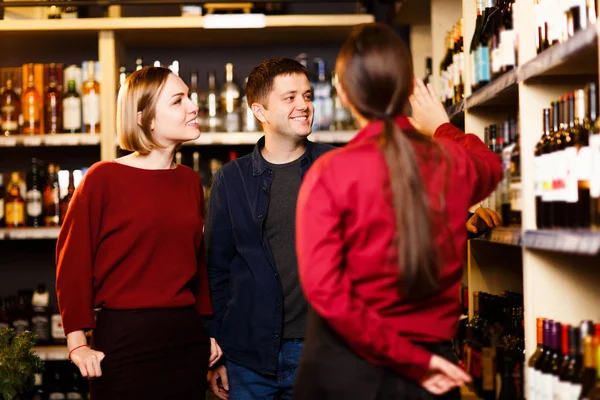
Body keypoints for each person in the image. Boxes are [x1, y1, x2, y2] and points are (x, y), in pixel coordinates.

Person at [293, 23, 503, 400]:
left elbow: (327, 294)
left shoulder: (330, 173)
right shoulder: (450, 162)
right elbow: (490, 165)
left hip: (348, 373)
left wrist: (408, 360)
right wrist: (441, 126)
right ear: (410, 87)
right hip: (429, 373)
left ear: (341, 92)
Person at [55, 66, 222, 400]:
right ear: (146, 118)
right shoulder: (103, 178)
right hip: (125, 340)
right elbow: (72, 261)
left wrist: (209, 331)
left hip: (186, 339)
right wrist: (77, 344)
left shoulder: (189, 181)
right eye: (178, 101)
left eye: (188, 96)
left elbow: (197, 263)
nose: (193, 106)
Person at [205, 58, 334, 400]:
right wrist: (219, 354)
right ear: (260, 110)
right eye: (290, 98)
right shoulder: (231, 179)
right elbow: (216, 271)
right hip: (248, 360)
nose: (304, 105)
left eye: (306, 96)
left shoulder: (336, 167)